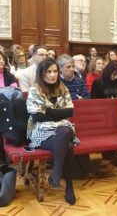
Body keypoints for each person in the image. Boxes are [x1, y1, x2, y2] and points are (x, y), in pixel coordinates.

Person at [26, 58, 76, 205]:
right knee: (68, 146)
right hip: (42, 132)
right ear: (42, 73)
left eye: (55, 71)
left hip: (63, 130)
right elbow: (37, 116)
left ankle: (56, 173)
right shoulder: (35, 90)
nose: (53, 75)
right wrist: (58, 113)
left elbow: (70, 111)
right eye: (49, 72)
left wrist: (48, 111)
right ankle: (69, 186)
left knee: (66, 131)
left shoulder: (63, 89)